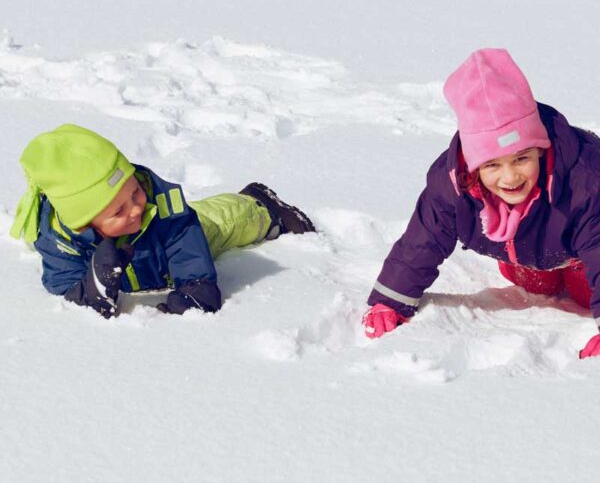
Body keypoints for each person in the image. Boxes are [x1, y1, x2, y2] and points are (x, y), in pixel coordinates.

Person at [362, 48, 600, 359]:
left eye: (522, 158)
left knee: (583, 297)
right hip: (528, 248)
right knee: (536, 284)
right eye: (492, 165)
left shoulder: (584, 182)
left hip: (583, 248)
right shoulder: (451, 186)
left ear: (540, 151)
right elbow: (422, 242)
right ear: (473, 166)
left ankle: (570, 267)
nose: (510, 176)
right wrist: (390, 302)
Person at [10, 124, 315, 318]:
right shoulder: (59, 240)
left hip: (169, 249)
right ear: (82, 224)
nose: (134, 210)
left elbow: (187, 245)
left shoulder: (159, 205)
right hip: (136, 272)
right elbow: (62, 284)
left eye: (134, 192)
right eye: (118, 212)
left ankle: (262, 205)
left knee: (223, 223)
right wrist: (94, 283)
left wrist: (196, 287)